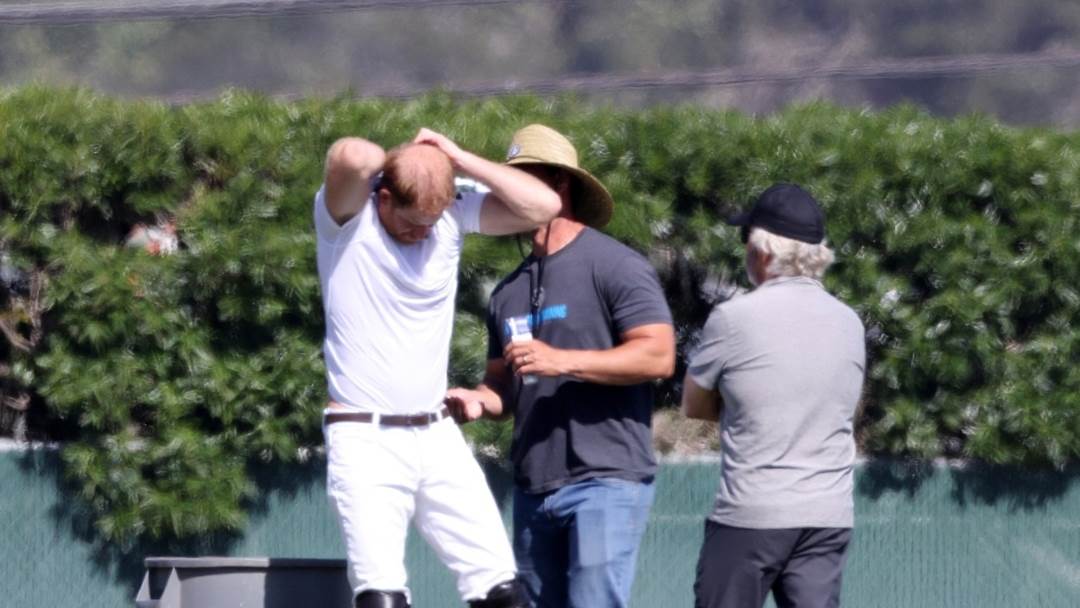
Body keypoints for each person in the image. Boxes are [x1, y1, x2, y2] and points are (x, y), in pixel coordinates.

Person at [314, 129, 561, 608]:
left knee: (502, 591)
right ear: (384, 197)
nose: (423, 234)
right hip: (364, 435)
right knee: (381, 594)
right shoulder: (346, 221)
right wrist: (411, 160)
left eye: (431, 222)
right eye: (412, 223)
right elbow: (353, 156)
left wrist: (458, 158)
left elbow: (544, 205)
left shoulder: (449, 214)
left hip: (435, 433)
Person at [444, 124, 676, 608]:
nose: (507, 195)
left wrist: (561, 361)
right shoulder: (507, 291)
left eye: (521, 180)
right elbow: (502, 385)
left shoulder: (614, 265)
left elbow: (658, 355)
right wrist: (478, 401)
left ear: (559, 184)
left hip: (605, 480)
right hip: (534, 489)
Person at [681, 183, 866, 608]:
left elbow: (693, 405)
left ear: (763, 253)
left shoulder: (733, 318)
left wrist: (740, 407)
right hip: (827, 514)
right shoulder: (850, 323)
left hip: (752, 512)